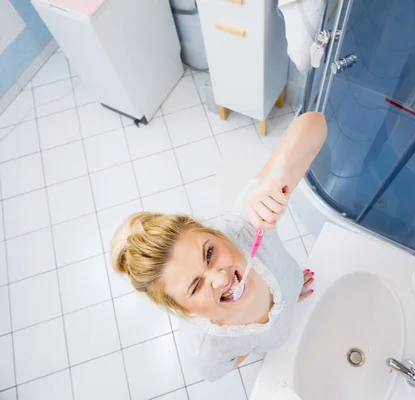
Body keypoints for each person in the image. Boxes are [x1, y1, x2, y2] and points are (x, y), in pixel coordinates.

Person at [111, 112, 327, 381]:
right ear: (183, 309)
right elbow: (226, 363)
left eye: (210, 253)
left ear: (213, 233)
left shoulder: (246, 224)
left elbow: (316, 125)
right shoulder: (206, 350)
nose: (220, 277)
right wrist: (256, 342)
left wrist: (280, 168)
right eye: (195, 286)